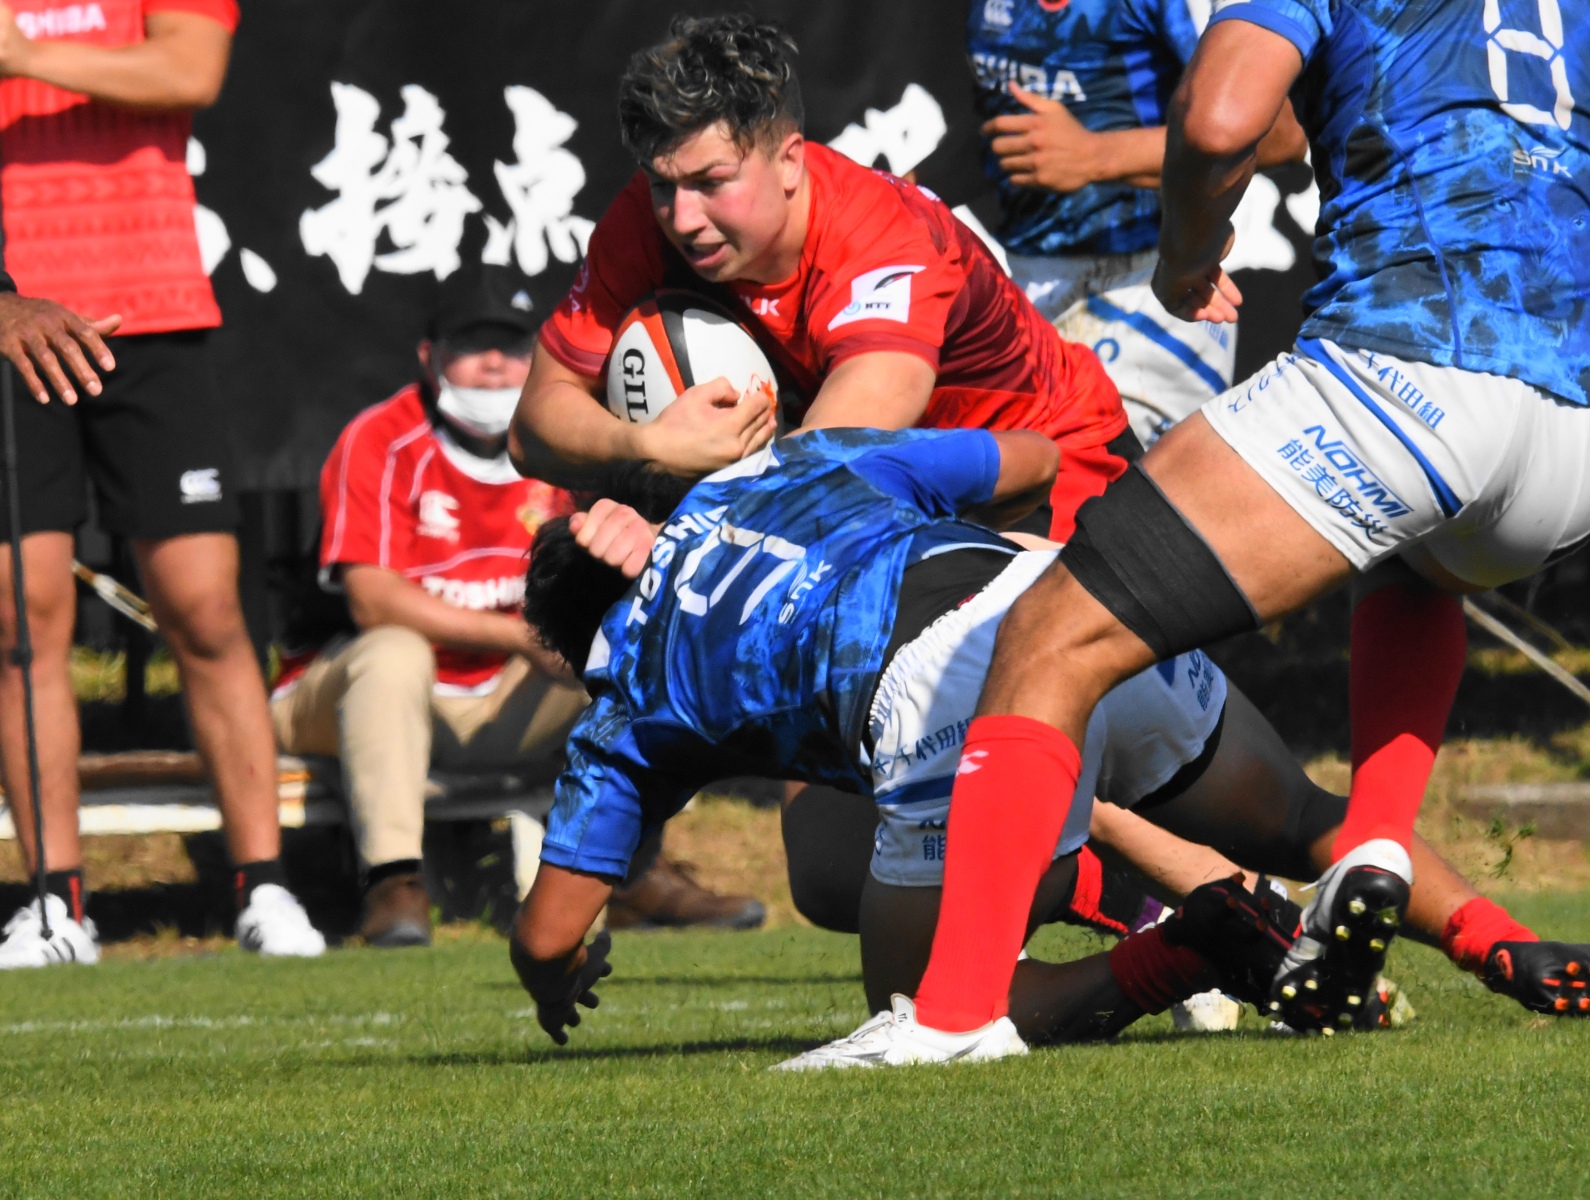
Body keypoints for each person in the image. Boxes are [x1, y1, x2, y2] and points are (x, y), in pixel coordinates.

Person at [880, 0, 1590, 1051]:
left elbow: (1221, 119)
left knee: (1052, 635)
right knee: (1414, 564)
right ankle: (1378, 837)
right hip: (1585, 437)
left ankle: (951, 1020)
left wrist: (1188, 251)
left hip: (1413, 372)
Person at [505, 426, 1590, 1063]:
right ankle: (1500, 944)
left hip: (936, 696)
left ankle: (1197, 944)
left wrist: (560, 982)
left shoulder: (622, 696)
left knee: (920, 1007)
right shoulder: (788, 466)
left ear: (567, 648)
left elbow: (550, 932)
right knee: (1306, 818)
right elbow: (1022, 460)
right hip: (1069, 604)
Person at [271, 268, 764, 946]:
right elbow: (373, 600)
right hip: (348, 695)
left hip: (503, 699)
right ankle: (393, 883)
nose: (494, 363)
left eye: (508, 345)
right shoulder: (380, 437)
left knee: (623, 648)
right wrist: (517, 638)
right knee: (393, 653)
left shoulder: (560, 445)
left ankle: (633, 870)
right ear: (429, 356)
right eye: (471, 345)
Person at [510, 14, 1137, 543]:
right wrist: (646, 443)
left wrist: (672, 541)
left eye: (710, 183)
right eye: (662, 185)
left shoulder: (883, 240)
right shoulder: (645, 222)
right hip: (892, 498)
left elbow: (825, 471)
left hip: (1055, 475)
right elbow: (532, 430)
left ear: (789, 161)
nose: (683, 217)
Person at [0, 0, 326, 966]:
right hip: (10, 315)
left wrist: (19, 53)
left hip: (150, 308)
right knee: (21, 616)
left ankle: (264, 886)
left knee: (207, 608)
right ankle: (56, 904)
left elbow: (188, 70)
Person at [968, 0, 1305, 446]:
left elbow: (1281, 136)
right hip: (1024, 286)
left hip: (1146, 290)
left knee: (1107, 486)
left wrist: (1094, 155)